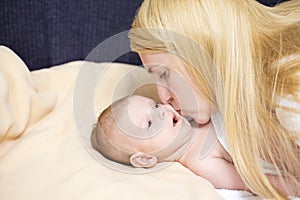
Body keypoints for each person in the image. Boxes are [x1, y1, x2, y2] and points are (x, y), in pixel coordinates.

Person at [128, 0, 300, 199]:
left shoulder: (288, 90)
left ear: (202, 54)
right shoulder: (229, 115)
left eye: (164, 74)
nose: (163, 98)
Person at [91, 95, 248, 190]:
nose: (162, 111)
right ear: (144, 158)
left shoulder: (192, 114)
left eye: (155, 105)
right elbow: (251, 181)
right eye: (149, 123)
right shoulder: (200, 161)